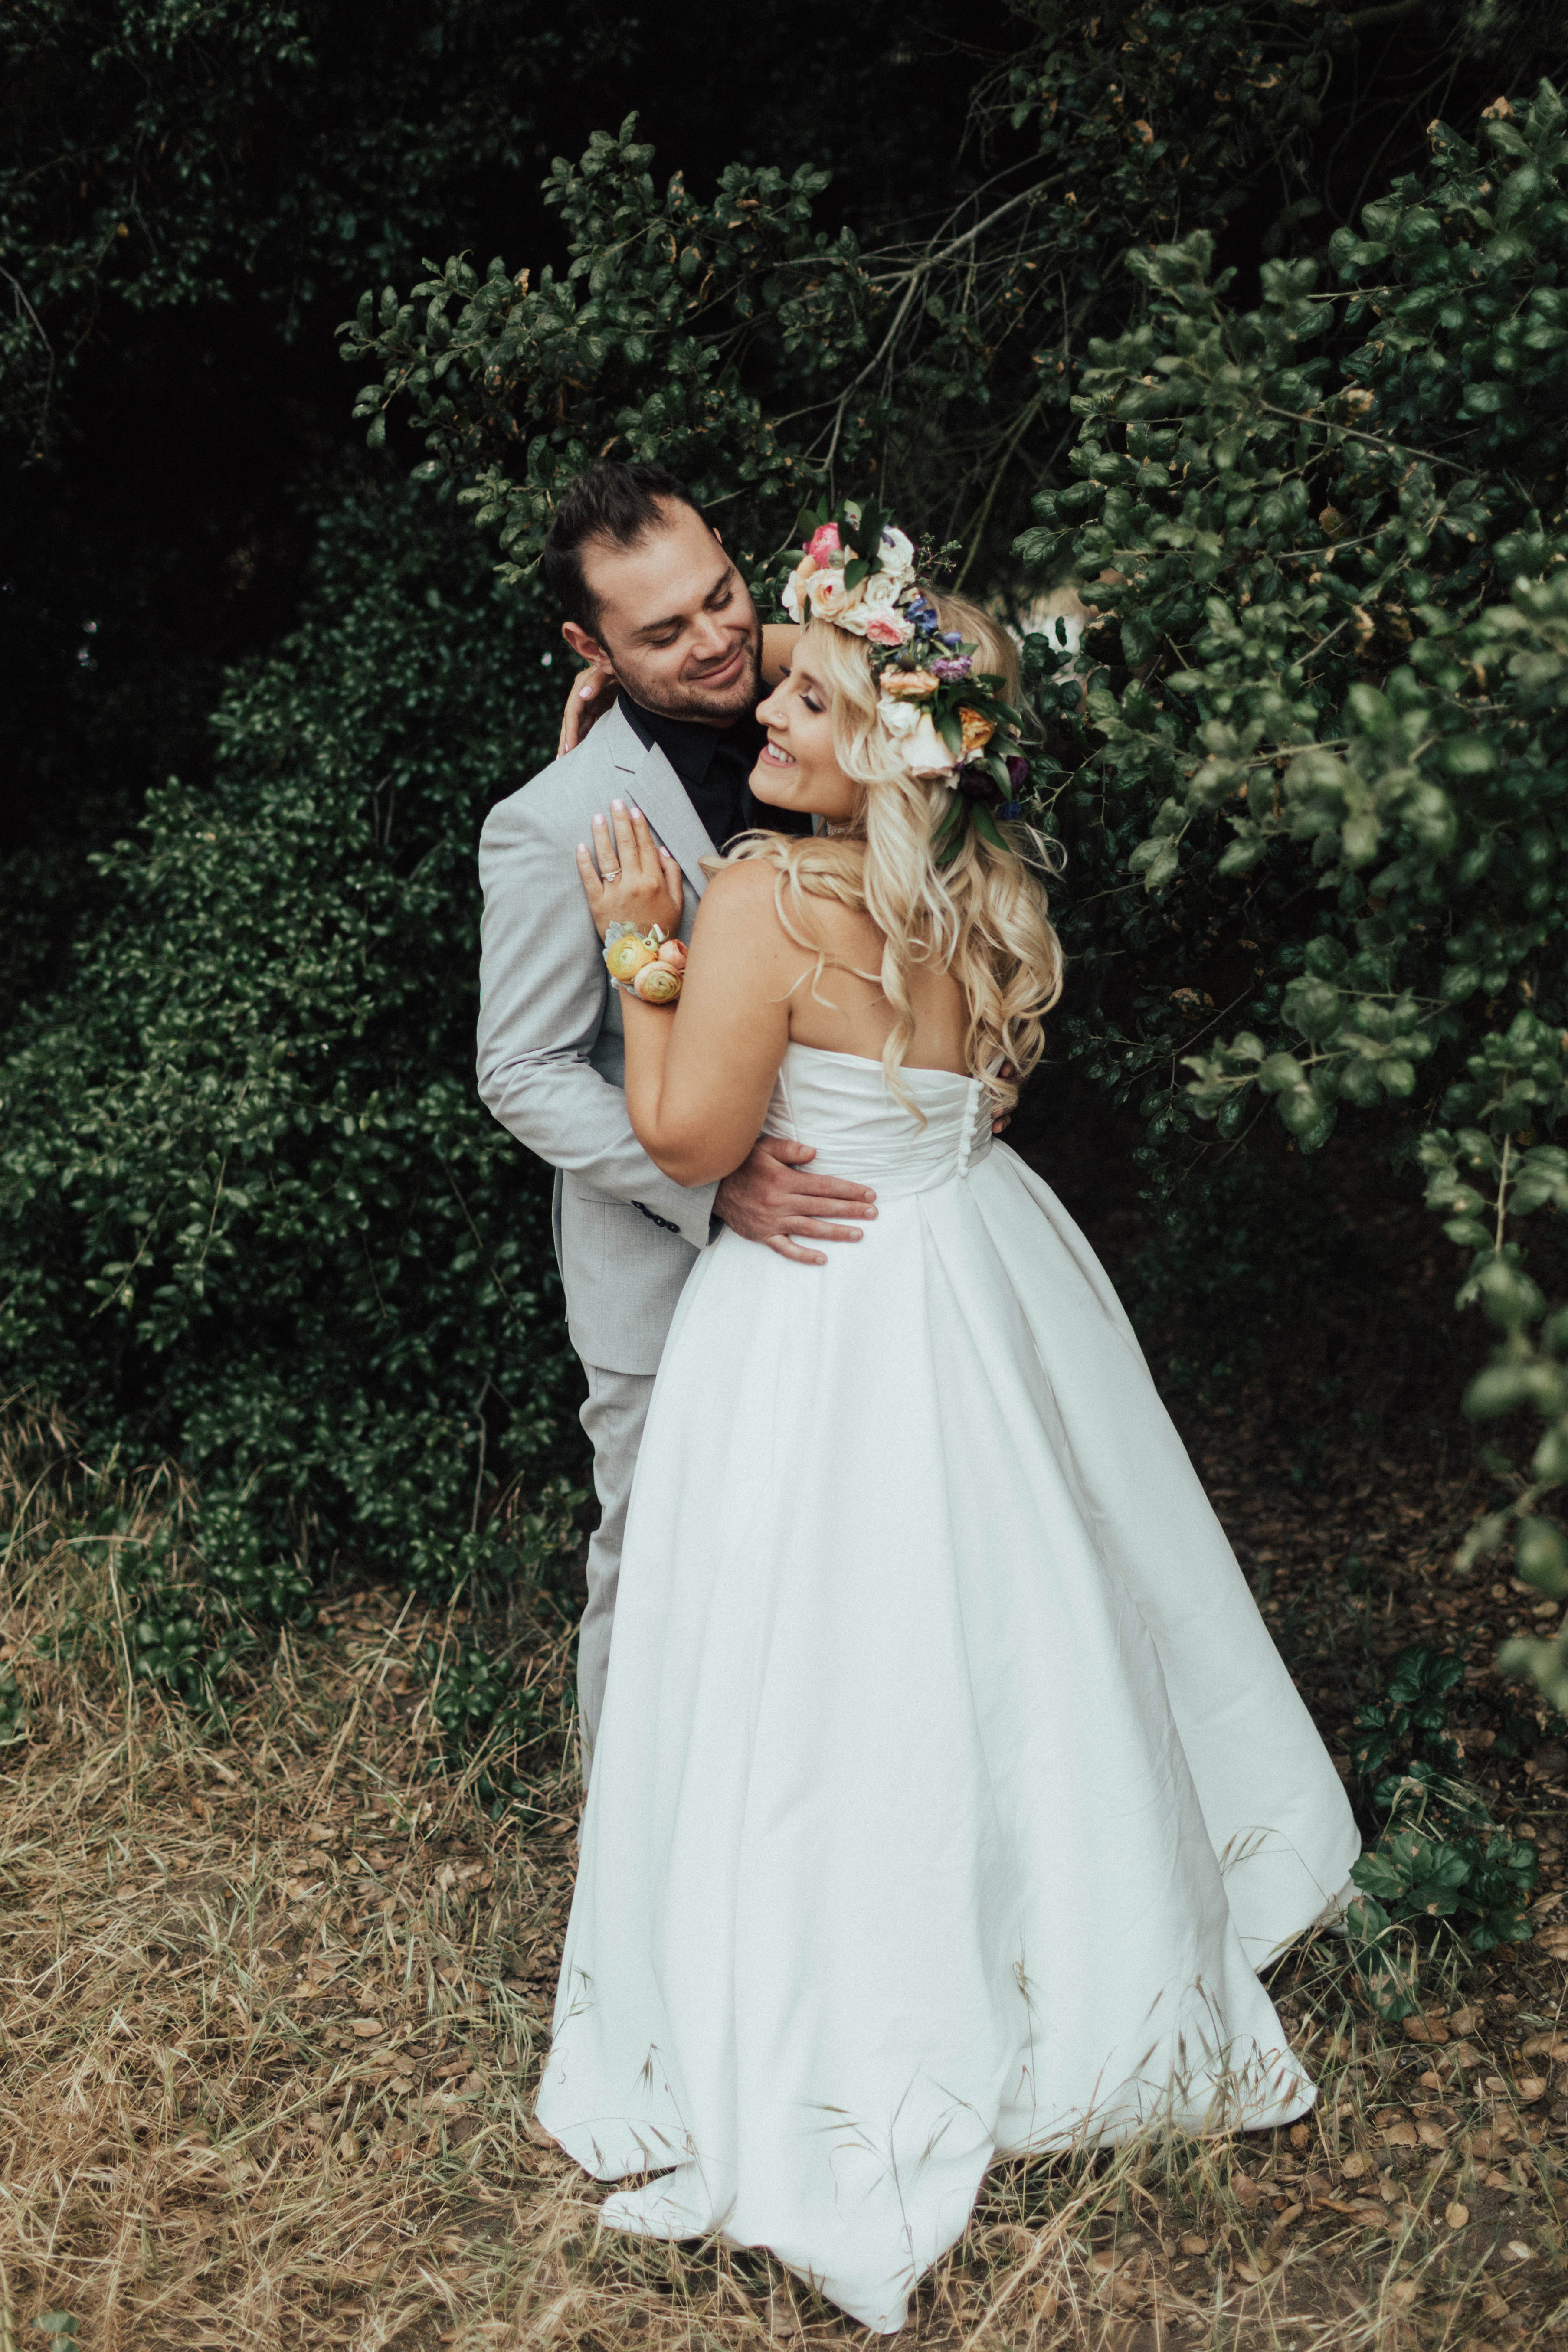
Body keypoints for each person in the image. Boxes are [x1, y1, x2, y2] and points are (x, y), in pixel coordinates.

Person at [531, 504, 1360, 2332]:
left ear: (888, 754)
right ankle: (1061, 1944)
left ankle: (845, 1970)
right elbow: (958, 1111)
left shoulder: (756, 898)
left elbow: (683, 1142)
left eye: (817, 708)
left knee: (823, 1650)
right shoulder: (985, 899)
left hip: (821, 1315)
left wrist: (637, 946)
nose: (776, 720)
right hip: (971, 1280)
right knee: (1010, 1624)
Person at [477, 462, 883, 1783]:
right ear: (588, 649)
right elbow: (524, 1068)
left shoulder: (832, 702)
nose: (714, 642)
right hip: (666, 1262)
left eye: (724, 598)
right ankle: (632, 1861)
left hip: (864, 1231)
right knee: (655, 1565)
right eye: (663, 633)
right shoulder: (548, 823)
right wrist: (711, 1188)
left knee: (853, 1554)